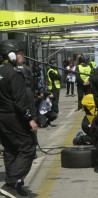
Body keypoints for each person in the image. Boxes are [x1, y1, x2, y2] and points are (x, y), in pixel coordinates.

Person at [0, 39, 38, 198]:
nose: (22, 56)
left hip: (2, 118)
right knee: (28, 148)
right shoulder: (14, 73)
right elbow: (20, 100)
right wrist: (30, 119)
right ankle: (10, 183)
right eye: (20, 53)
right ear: (11, 55)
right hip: (14, 116)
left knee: (10, 150)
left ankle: (16, 186)